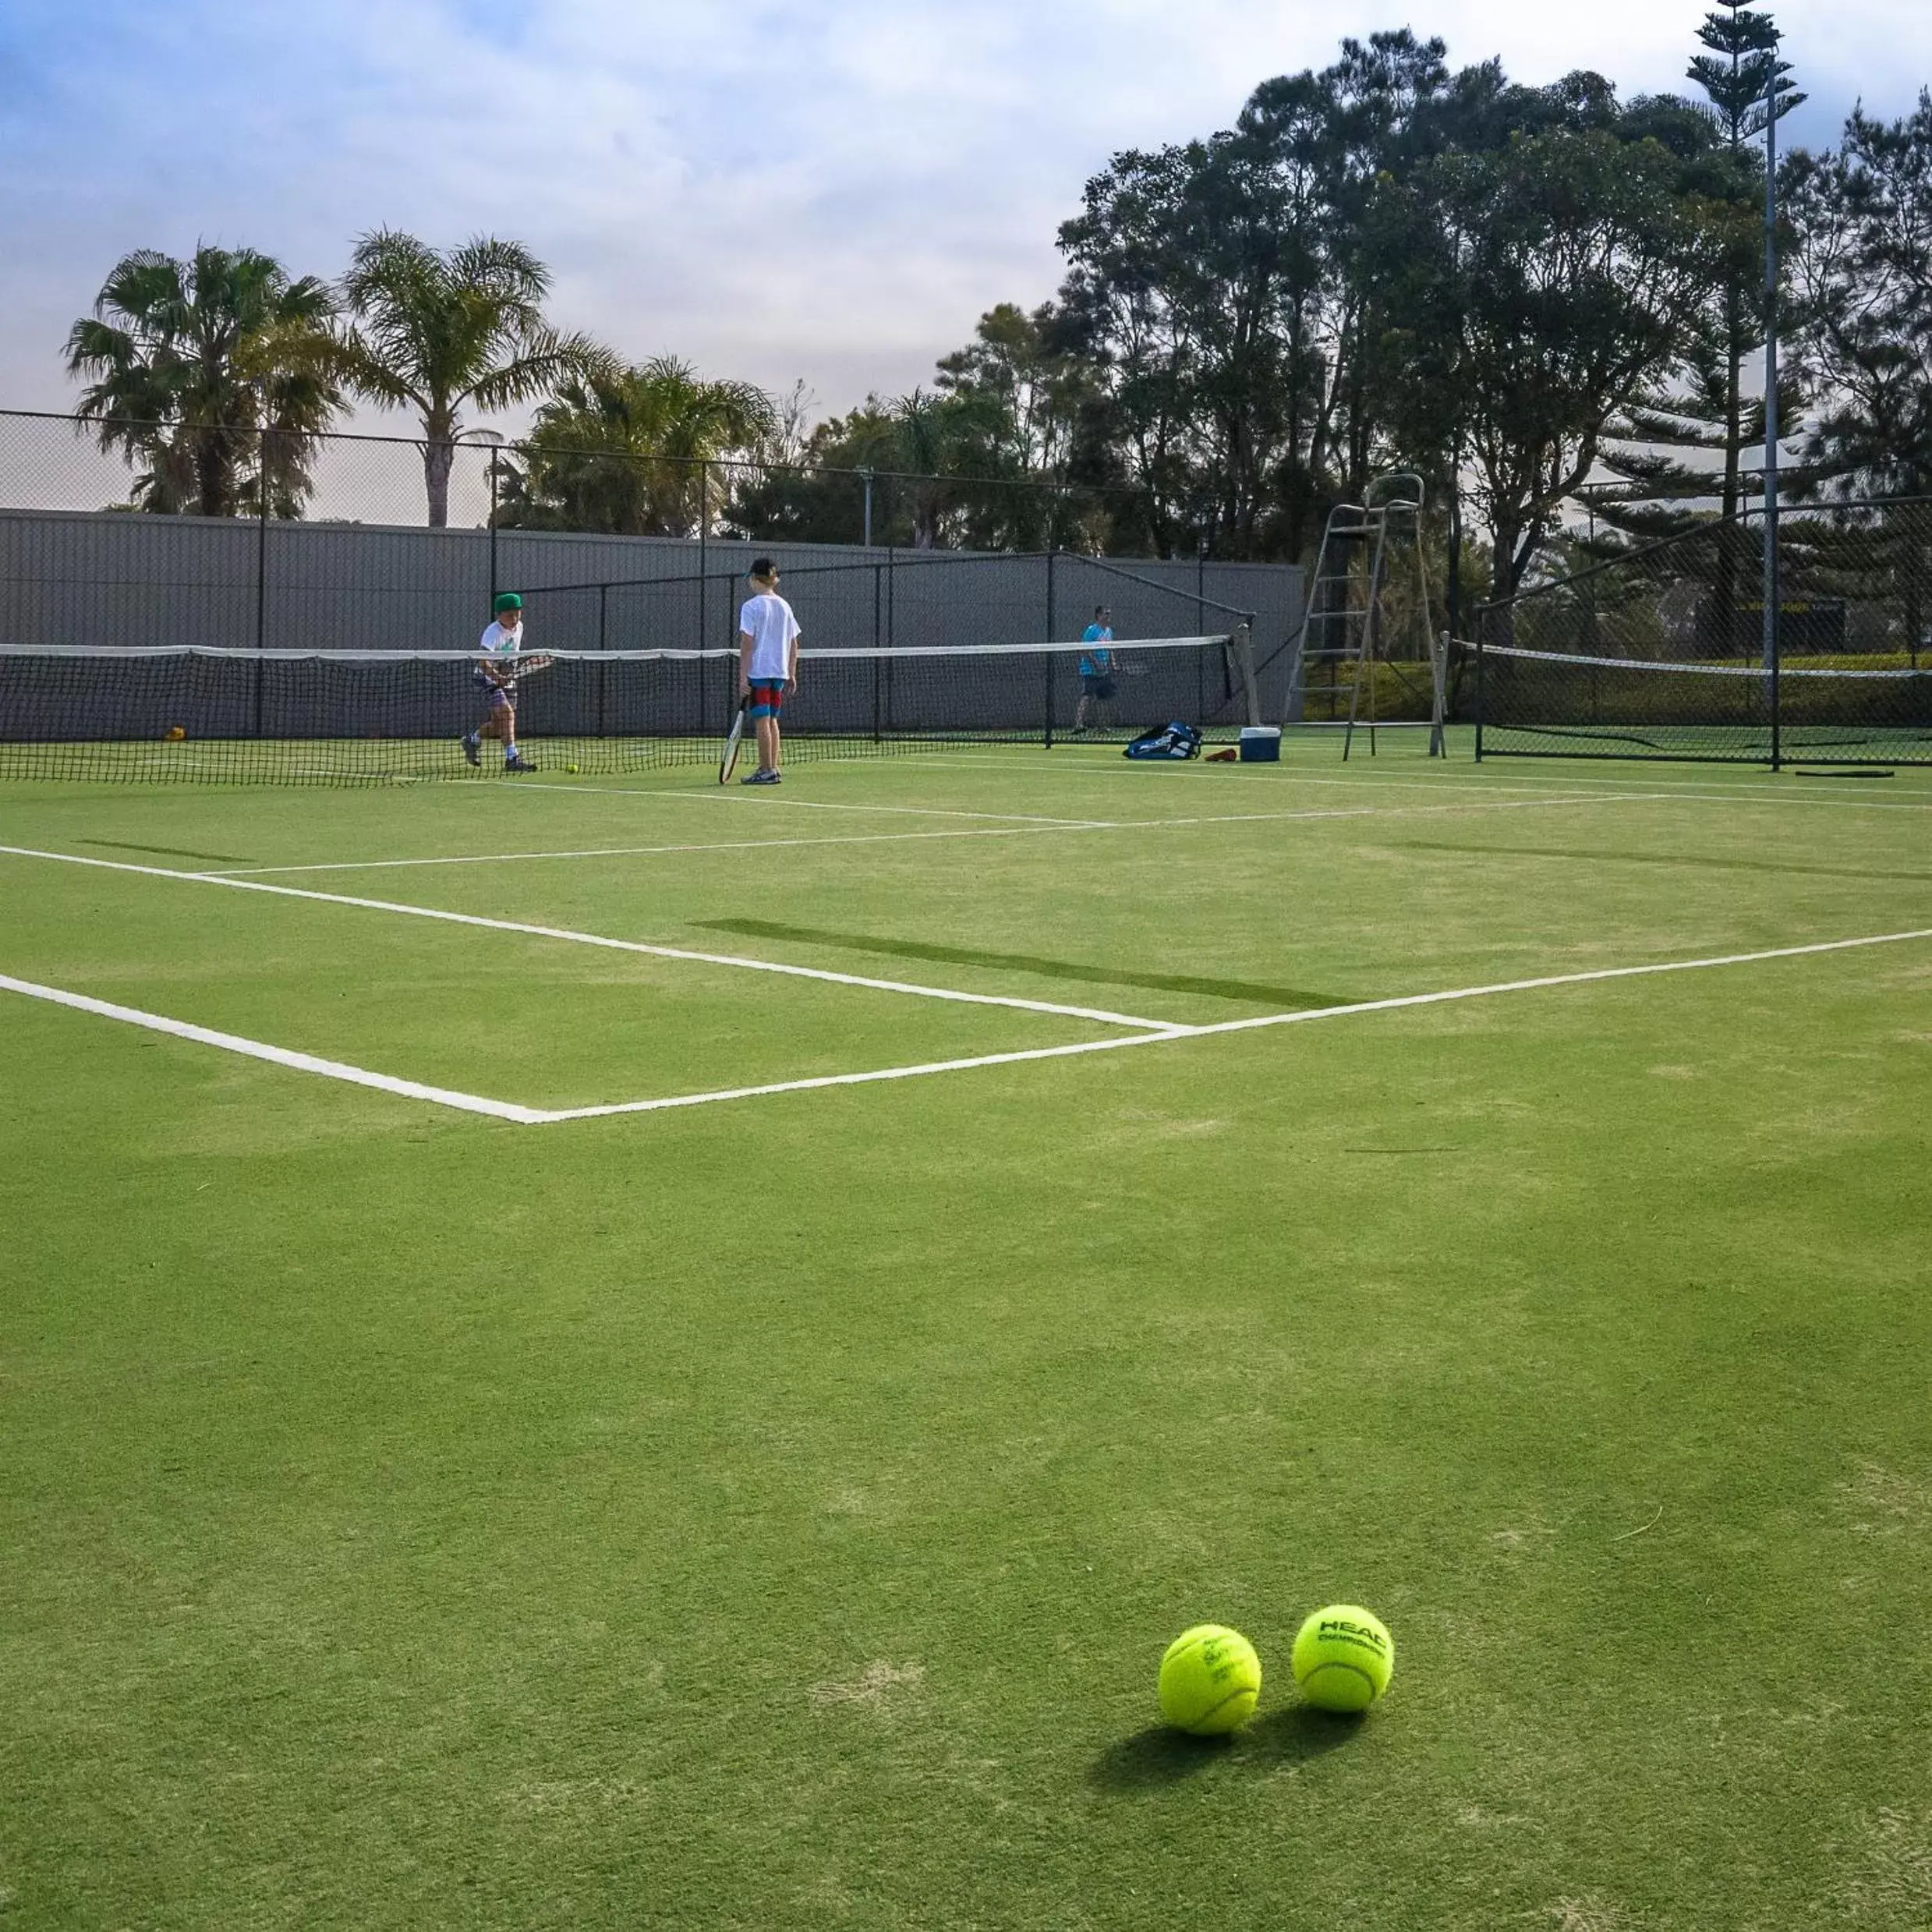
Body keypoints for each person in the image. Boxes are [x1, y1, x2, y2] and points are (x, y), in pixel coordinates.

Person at [737, 557, 801, 785]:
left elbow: (746, 643)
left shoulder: (751, 607)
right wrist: (791, 671)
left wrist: (743, 676)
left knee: (762, 721)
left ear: (755, 579)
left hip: (760, 672)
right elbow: (794, 643)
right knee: (772, 720)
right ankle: (772, 767)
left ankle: (766, 770)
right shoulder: (785, 606)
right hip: (779, 673)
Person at [463, 592, 538, 773]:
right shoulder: (492, 632)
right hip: (485, 680)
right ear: (499, 614)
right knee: (507, 714)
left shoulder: (519, 627)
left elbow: (512, 655)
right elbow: (483, 661)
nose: (514, 618)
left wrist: (507, 675)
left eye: (517, 613)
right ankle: (512, 759)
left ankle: (472, 741)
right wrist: (498, 678)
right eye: (509, 614)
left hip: (506, 678)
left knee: (499, 725)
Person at [1075, 605, 1117, 734]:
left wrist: (1113, 662)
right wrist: (1096, 664)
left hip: (1103, 671)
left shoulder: (1109, 631)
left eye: (1109, 614)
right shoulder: (1092, 630)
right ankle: (1078, 725)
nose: (1108, 616)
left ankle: (1102, 726)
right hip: (1090, 670)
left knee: (1103, 698)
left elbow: (1110, 648)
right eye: (1106, 614)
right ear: (1099, 615)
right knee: (1086, 697)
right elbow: (1086, 649)